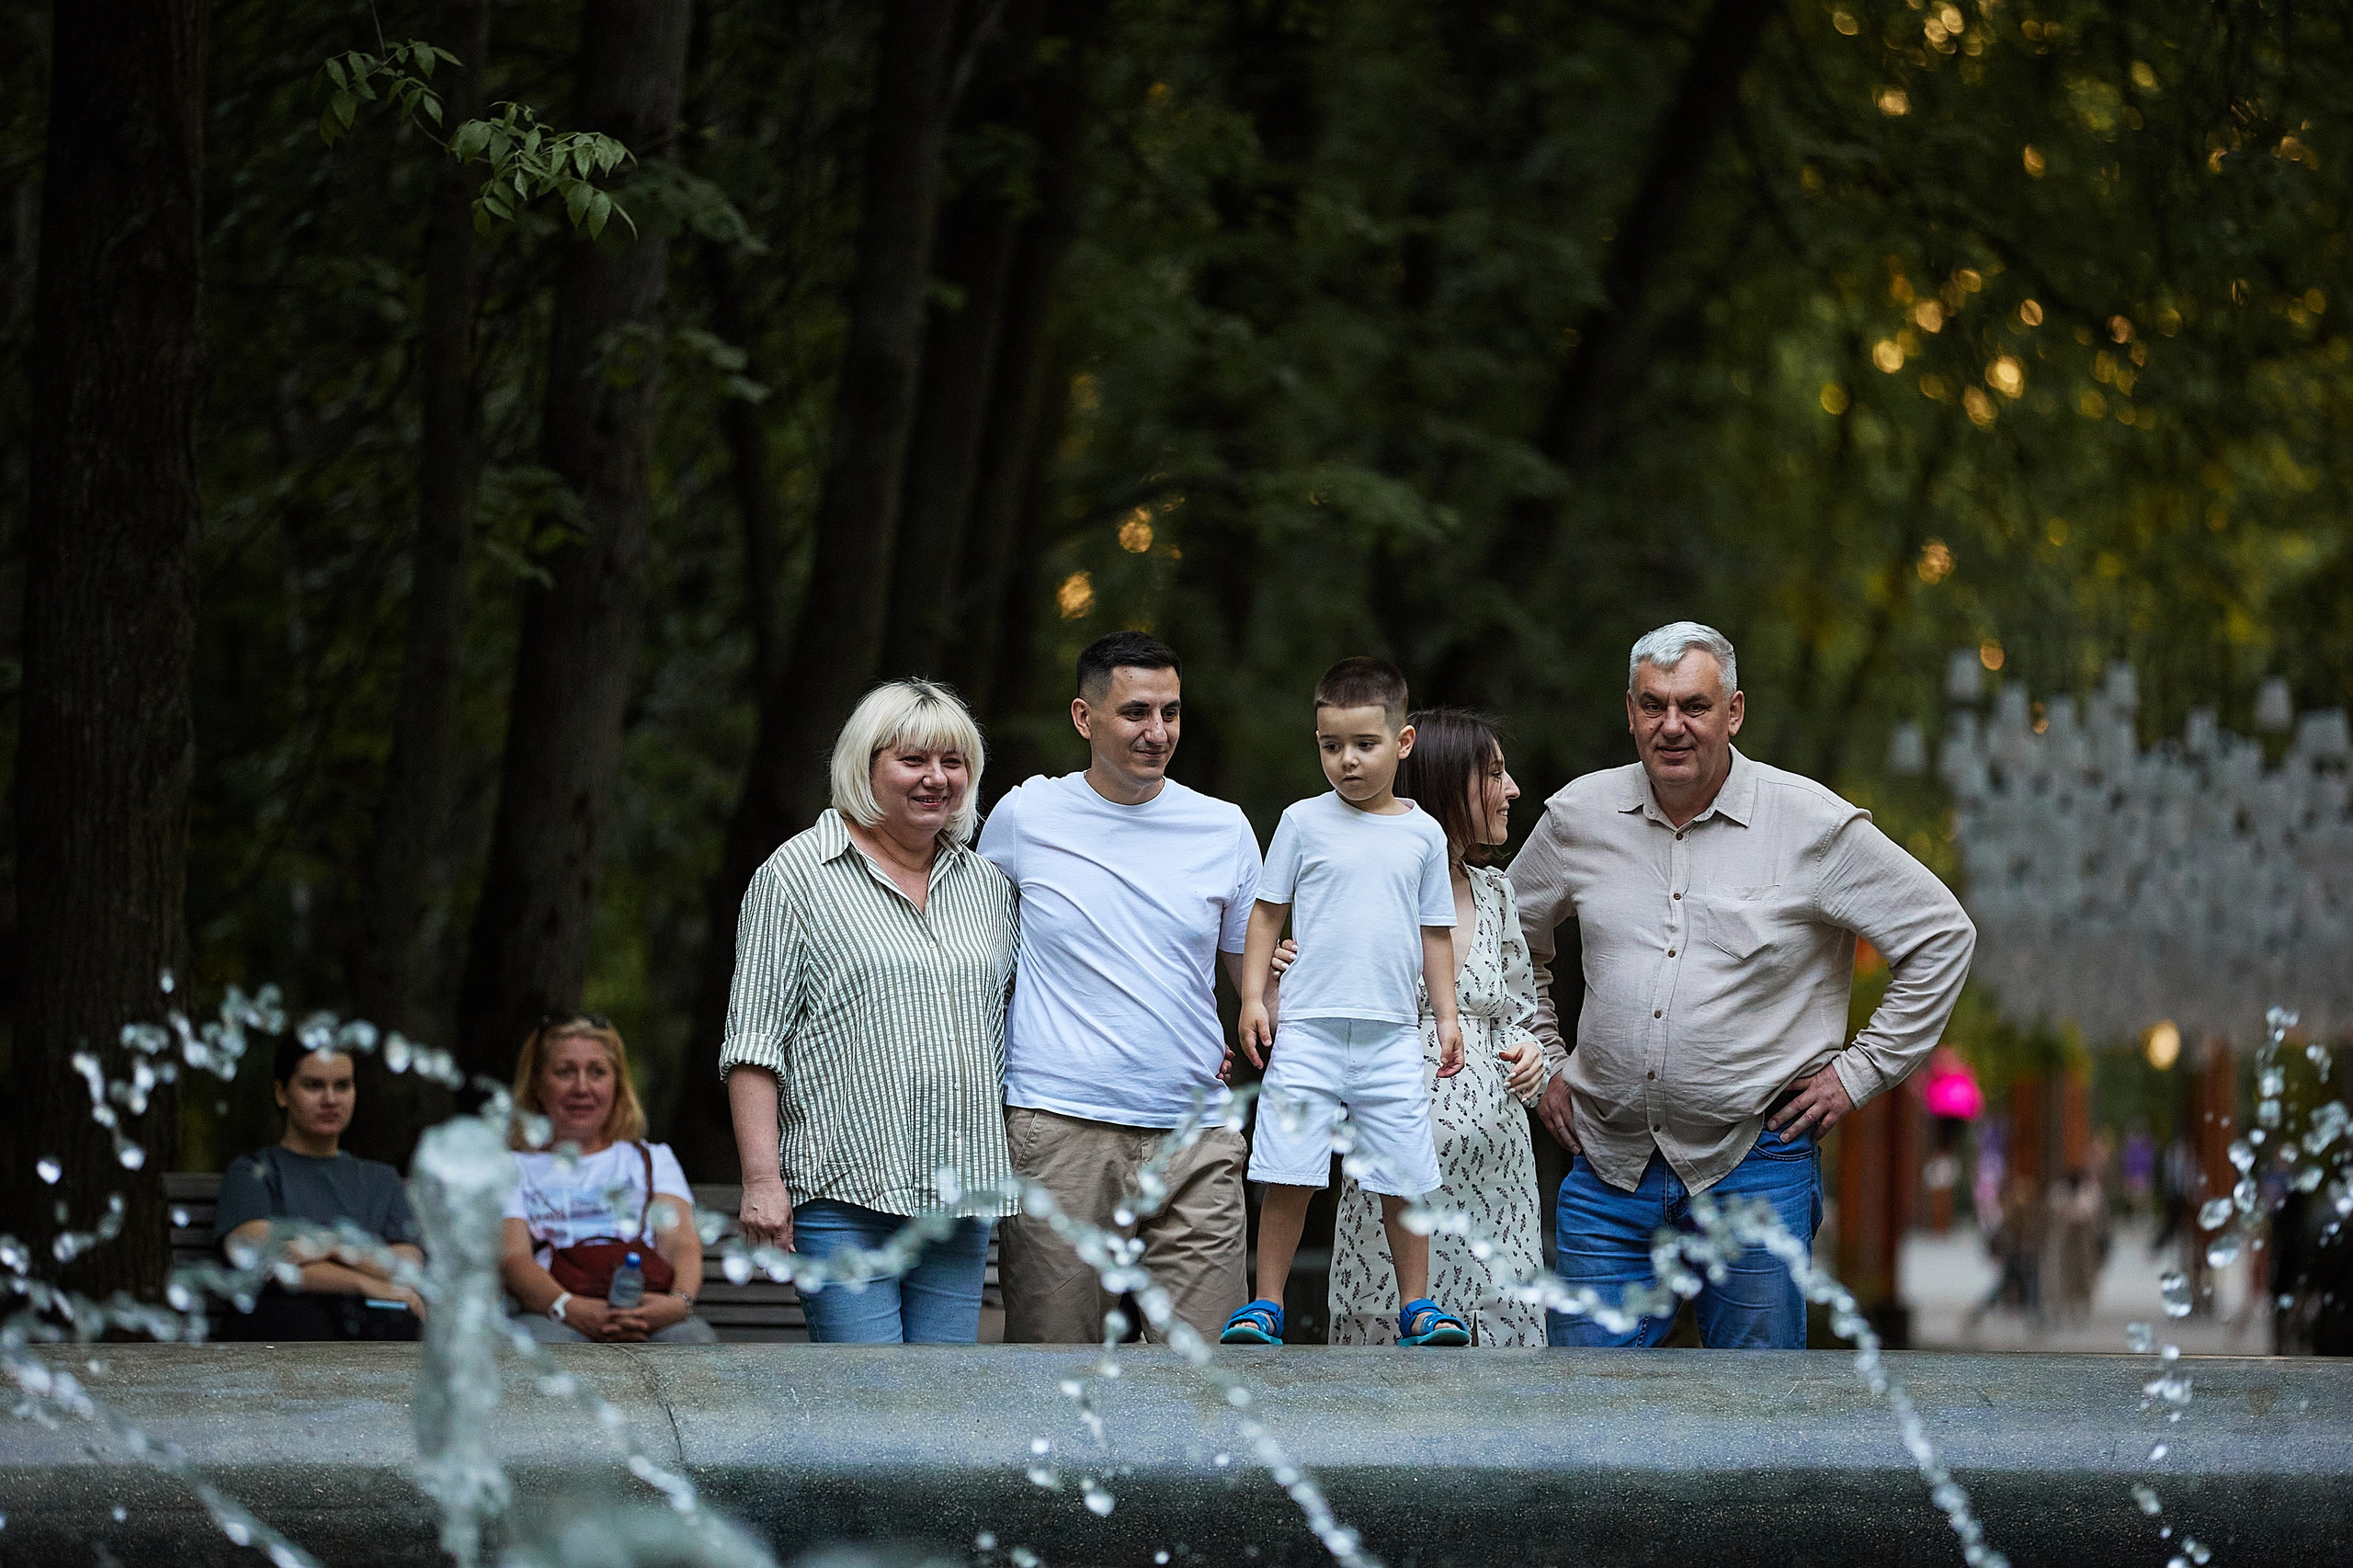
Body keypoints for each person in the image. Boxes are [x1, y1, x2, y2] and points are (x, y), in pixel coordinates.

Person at [1514, 621, 1976, 1349]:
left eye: (1694, 706)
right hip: (1607, 1167)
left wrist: (1858, 1074)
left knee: (1758, 1403)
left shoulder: (1811, 824)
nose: (1672, 725)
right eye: (1653, 705)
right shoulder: (1578, 817)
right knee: (1585, 1400)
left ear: (1733, 712)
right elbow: (1502, 940)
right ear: (1630, 712)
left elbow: (1941, 935)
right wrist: (1542, 1060)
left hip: (1757, 1163)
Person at [979, 632, 1267, 1345]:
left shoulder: (1223, 827)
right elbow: (973, 962)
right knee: (1054, 1370)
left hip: (1196, 1136)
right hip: (1059, 1128)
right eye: (1136, 712)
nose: (1158, 732)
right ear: (1084, 718)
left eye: (1171, 712)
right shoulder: (1024, 817)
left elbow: (1256, 990)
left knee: (1208, 1377)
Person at [722, 679, 1018, 1344]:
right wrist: (762, 1180)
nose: (936, 779)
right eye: (913, 760)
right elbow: (752, 1044)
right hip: (841, 1191)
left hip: (958, 1194)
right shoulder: (796, 875)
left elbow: (1022, 1020)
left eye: (952, 762)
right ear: (866, 764)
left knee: (944, 1397)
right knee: (868, 1394)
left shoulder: (988, 888)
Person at [1225, 656, 1471, 1349]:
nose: (1347, 761)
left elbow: (1435, 932)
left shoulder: (1423, 834)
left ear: (1404, 741)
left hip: (1391, 1034)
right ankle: (1265, 1304)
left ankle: (1417, 1306)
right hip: (1309, 1029)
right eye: (1331, 746)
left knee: (1404, 1174)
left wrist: (1446, 1017)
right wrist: (1253, 997)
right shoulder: (1302, 821)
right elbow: (1267, 913)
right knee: (1288, 1171)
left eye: (1364, 744)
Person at [1324, 710, 1549, 1346]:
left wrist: (1532, 1053)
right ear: (1446, 782)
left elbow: (1521, 1011)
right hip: (1397, 1186)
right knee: (1389, 1371)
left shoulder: (1496, 892)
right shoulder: (1362, 891)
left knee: (1501, 1372)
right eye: (1495, 775)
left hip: (1499, 1183)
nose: (1512, 791)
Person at [500, 1015, 715, 1344]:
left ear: (617, 1083)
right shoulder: (511, 1167)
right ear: (538, 1083)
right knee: (539, 1347)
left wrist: (678, 1303)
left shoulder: (651, 1159)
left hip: (646, 1309)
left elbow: (680, 1243)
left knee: (692, 1342)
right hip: (552, 1313)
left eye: (597, 1072)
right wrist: (570, 1308)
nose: (582, 1088)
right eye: (565, 1072)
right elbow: (514, 1258)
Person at [215, 1039, 426, 1341]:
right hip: (283, 1329)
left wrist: (330, 1246)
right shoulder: (254, 1172)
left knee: (402, 1322)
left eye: (342, 1086)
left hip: (367, 1325)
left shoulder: (381, 1179)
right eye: (314, 1085)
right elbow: (261, 1254)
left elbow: (407, 1266)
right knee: (295, 1317)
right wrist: (364, 1281)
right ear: (282, 1093)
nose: (330, 1099)